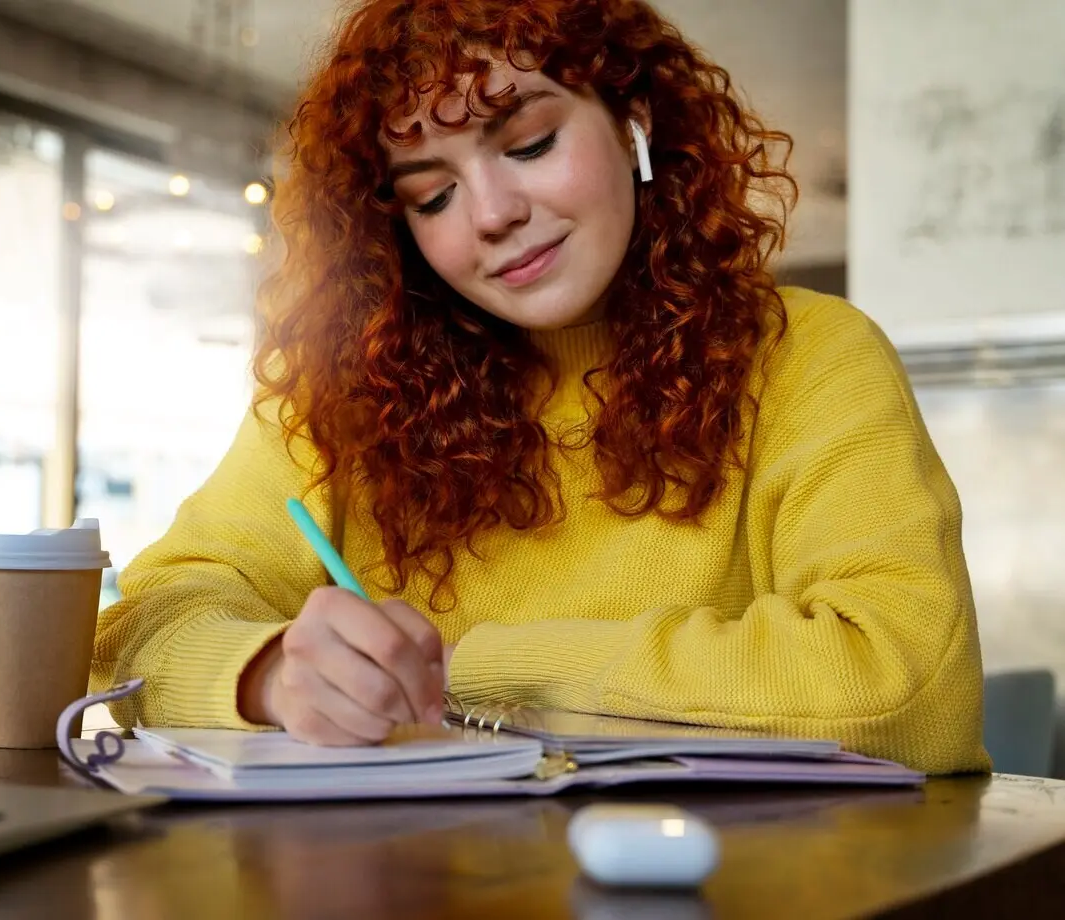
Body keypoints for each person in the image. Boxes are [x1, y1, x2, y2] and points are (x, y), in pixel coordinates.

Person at [91, 0, 990, 775]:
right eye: (431, 197)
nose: (491, 215)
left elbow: (904, 685)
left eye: (528, 142)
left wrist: (467, 673)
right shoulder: (340, 404)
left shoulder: (809, 358)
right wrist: (271, 674)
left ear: (633, 116)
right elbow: (136, 635)